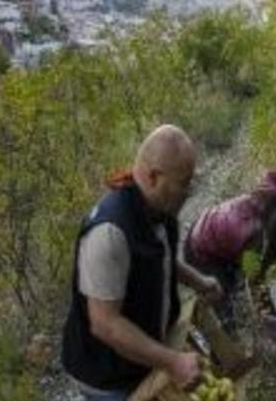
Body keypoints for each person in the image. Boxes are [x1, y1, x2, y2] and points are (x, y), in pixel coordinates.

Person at [61, 125, 202, 401]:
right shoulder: (110, 233)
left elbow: (162, 259)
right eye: (184, 183)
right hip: (108, 376)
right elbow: (105, 324)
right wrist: (173, 362)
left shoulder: (160, 209)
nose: (190, 191)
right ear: (153, 177)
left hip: (142, 359)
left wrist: (200, 282)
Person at [177, 171, 276, 324]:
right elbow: (256, 284)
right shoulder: (253, 240)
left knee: (244, 273)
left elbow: (270, 175)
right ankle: (219, 328)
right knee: (224, 298)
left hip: (216, 228)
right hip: (200, 252)